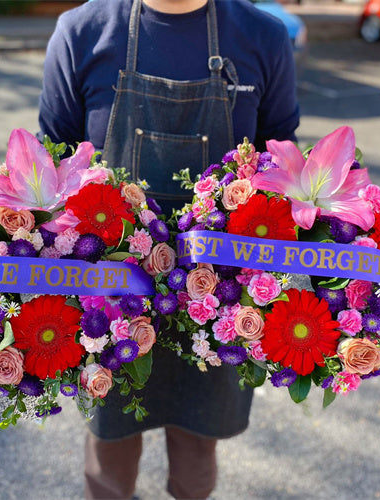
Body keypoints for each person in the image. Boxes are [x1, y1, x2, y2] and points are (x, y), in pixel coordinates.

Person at [38, 0, 299, 498]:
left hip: (222, 302)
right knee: (108, 454)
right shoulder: (82, 32)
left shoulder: (263, 36)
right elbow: (50, 160)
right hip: (108, 302)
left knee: (197, 450)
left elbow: (281, 164)